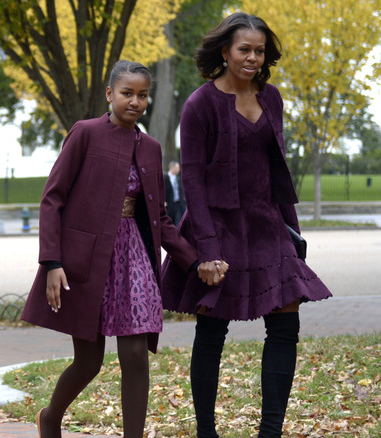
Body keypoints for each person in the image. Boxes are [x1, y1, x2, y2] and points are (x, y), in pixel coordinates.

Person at [21, 60, 226, 438]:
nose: (135, 101)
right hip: (86, 260)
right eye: (127, 93)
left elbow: (160, 217)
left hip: (134, 257)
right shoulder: (84, 133)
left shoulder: (150, 147)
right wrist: (52, 261)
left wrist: (193, 260)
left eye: (143, 94)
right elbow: (52, 199)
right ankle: (50, 417)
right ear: (109, 94)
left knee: (134, 355)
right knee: (89, 362)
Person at [160, 12, 332, 438]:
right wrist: (207, 249)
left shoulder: (271, 97)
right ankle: (206, 432)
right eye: (245, 50)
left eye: (259, 50)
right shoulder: (200, 103)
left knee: (286, 323)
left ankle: (270, 431)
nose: (253, 57)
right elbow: (193, 179)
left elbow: (277, 167)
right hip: (217, 227)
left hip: (267, 223)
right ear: (225, 51)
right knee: (212, 327)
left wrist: (292, 232)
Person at [164, 161, 185, 225]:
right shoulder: (165, 177)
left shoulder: (179, 178)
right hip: (169, 203)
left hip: (178, 203)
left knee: (178, 221)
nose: (179, 169)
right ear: (172, 168)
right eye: (177, 167)